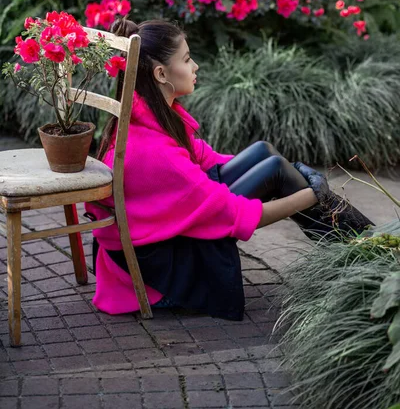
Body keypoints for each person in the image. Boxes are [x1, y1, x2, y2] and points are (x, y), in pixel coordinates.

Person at [86, 18, 374, 321]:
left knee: (266, 155)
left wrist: (287, 175)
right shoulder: (159, 155)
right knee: (276, 170)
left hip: (155, 237)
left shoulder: (147, 114)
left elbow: (209, 159)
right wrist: (312, 194)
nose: (195, 66)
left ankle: (370, 243)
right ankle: (372, 248)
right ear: (160, 73)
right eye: (186, 59)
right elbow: (233, 215)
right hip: (160, 268)